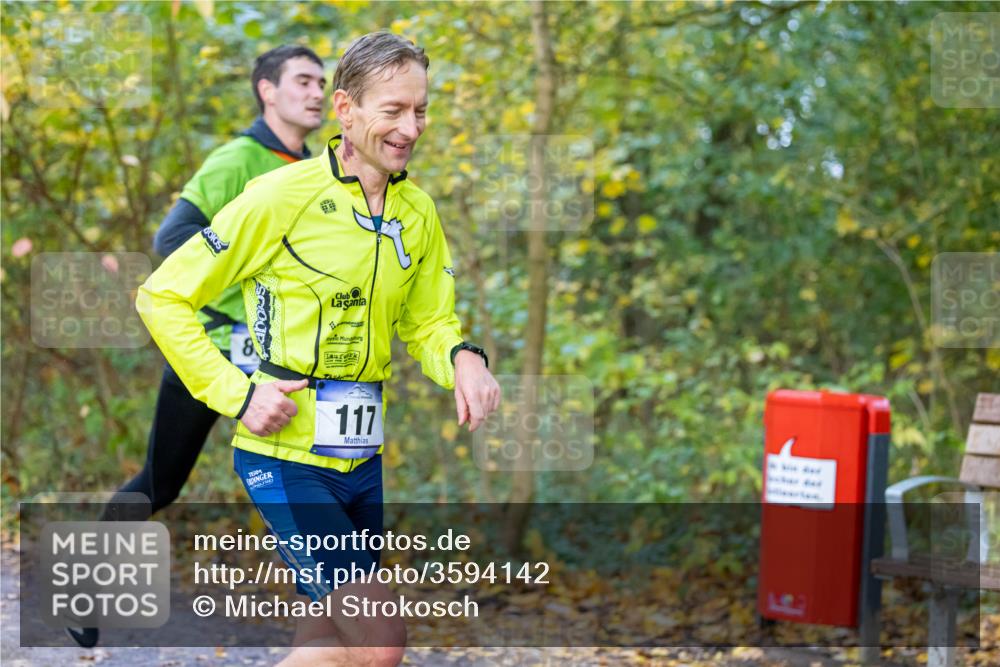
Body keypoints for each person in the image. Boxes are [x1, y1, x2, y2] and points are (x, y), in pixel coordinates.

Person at [136, 32, 500, 667]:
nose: (410, 127)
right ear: (345, 110)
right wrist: (237, 393)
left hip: (361, 458)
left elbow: (429, 321)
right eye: (393, 110)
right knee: (381, 640)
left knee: (326, 639)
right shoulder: (282, 196)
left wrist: (464, 357)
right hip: (285, 456)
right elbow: (162, 296)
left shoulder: (418, 211)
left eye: (420, 110)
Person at [68, 45, 326, 650]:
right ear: (268, 90)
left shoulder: (312, 167)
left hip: (271, 359)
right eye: (304, 81)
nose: (317, 92)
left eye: (323, 82)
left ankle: (331, 620)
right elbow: (172, 236)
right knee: (162, 481)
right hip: (208, 349)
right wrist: (239, 282)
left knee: (308, 473)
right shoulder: (239, 157)